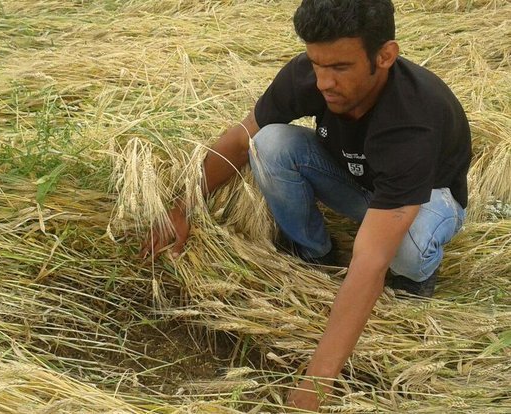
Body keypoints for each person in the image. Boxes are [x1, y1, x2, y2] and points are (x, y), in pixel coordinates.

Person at [141, 0, 471, 410]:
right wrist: (181, 207)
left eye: (340, 68)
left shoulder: (412, 121)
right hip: (360, 180)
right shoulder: (309, 75)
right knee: (268, 144)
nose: (323, 82)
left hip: (428, 197)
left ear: (385, 56)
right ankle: (314, 251)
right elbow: (240, 137)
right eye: (317, 64)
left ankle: (417, 276)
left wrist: (317, 381)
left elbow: (369, 260)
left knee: (403, 252)